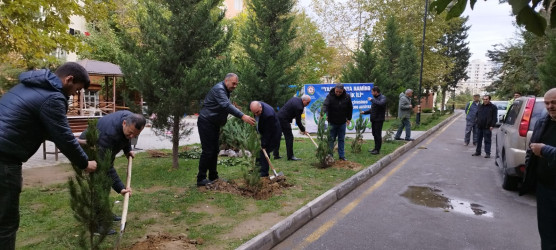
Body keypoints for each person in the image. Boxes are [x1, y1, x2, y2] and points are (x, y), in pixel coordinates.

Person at [0, 62, 98, 249]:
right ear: (69, 79)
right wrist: (85, 163)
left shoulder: (28, 86)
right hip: (4, 159)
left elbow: (50, 131)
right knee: (5, 222)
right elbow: (63, 137)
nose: (73, 95)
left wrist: (81, 142)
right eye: (76, 90)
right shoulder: (53, 97)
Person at [77, 111, 146, 234]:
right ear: (124, 123)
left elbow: (126, 137)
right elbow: (106, 166)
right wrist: (121, 188)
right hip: (88, 147)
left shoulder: (129, 118)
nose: (132, 136)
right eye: (130, 133)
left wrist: (128, 150)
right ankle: (96, 225)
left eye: (135, 135)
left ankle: (106, 213)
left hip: (103, 146)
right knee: (100, 184)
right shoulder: (110, 135)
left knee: (106, 183)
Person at [196, 73, 256, 186]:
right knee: (208, 151)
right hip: (206, 122)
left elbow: (225, 105)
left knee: (214, 150)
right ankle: (201, 178)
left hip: (213, 123)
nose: (235, 86)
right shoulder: (219, 89)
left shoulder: (225, 90)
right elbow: (225, 105)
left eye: (236, 84)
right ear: (226, 80)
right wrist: (243, 116)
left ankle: (213, 176)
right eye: (233, 83)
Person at [520, 88, 556, 250]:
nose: (550, 107)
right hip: (545, 188)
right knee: (547, 233)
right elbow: (531, 150)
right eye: (547, 103)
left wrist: (545, 150)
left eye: (554, 103)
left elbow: (540, 149)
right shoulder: (543, 121)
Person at [273, 95, 311, 161]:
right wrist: (303, 130)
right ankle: (290, 156)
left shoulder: (295, 99)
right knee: (289, 137)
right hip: (284, 120)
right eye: (307, 102)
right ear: (303, 100)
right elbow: (298, 121)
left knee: (278, 136)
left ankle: (276, 155)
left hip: (278, 116)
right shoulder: (299, 107)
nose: (308, 104)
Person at [249, 101, 282, 177]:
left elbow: (268, 132)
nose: (256, 114)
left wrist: (264, 143)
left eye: (257, 112)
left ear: (260, 107)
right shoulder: (256, 106)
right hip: (265, 132)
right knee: (258, 150)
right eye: (254, 113)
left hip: (273, 134)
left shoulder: (268, 115)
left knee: (264, 151)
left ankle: (264, 172)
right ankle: (257, 169)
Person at [323, 83, 353, 161]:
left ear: (342, 90)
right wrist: (324, 112)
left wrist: (349, 118)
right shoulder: (330, 96)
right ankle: (330, 155)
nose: (338, 93)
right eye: (337, 91)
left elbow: (350, 108)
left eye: (340, 92)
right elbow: (325, 105)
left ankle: (341, 156)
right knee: (331, 139)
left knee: (341, 139)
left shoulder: (347, 97)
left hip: (342, 122)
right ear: (335, 89)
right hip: (332, 122)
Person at [360, 86, 387, 155]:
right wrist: (364, 112)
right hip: (374, 119)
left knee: (378, 135)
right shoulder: (375, 99)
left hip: (379, 120)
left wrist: (372, 100)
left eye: (372, 92)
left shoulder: (382, 98)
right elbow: (373, 110)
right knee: (374, 134)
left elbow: (381, 104)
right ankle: (375, 148)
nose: (371, 93)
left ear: (376, 92)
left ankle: (377, 150)